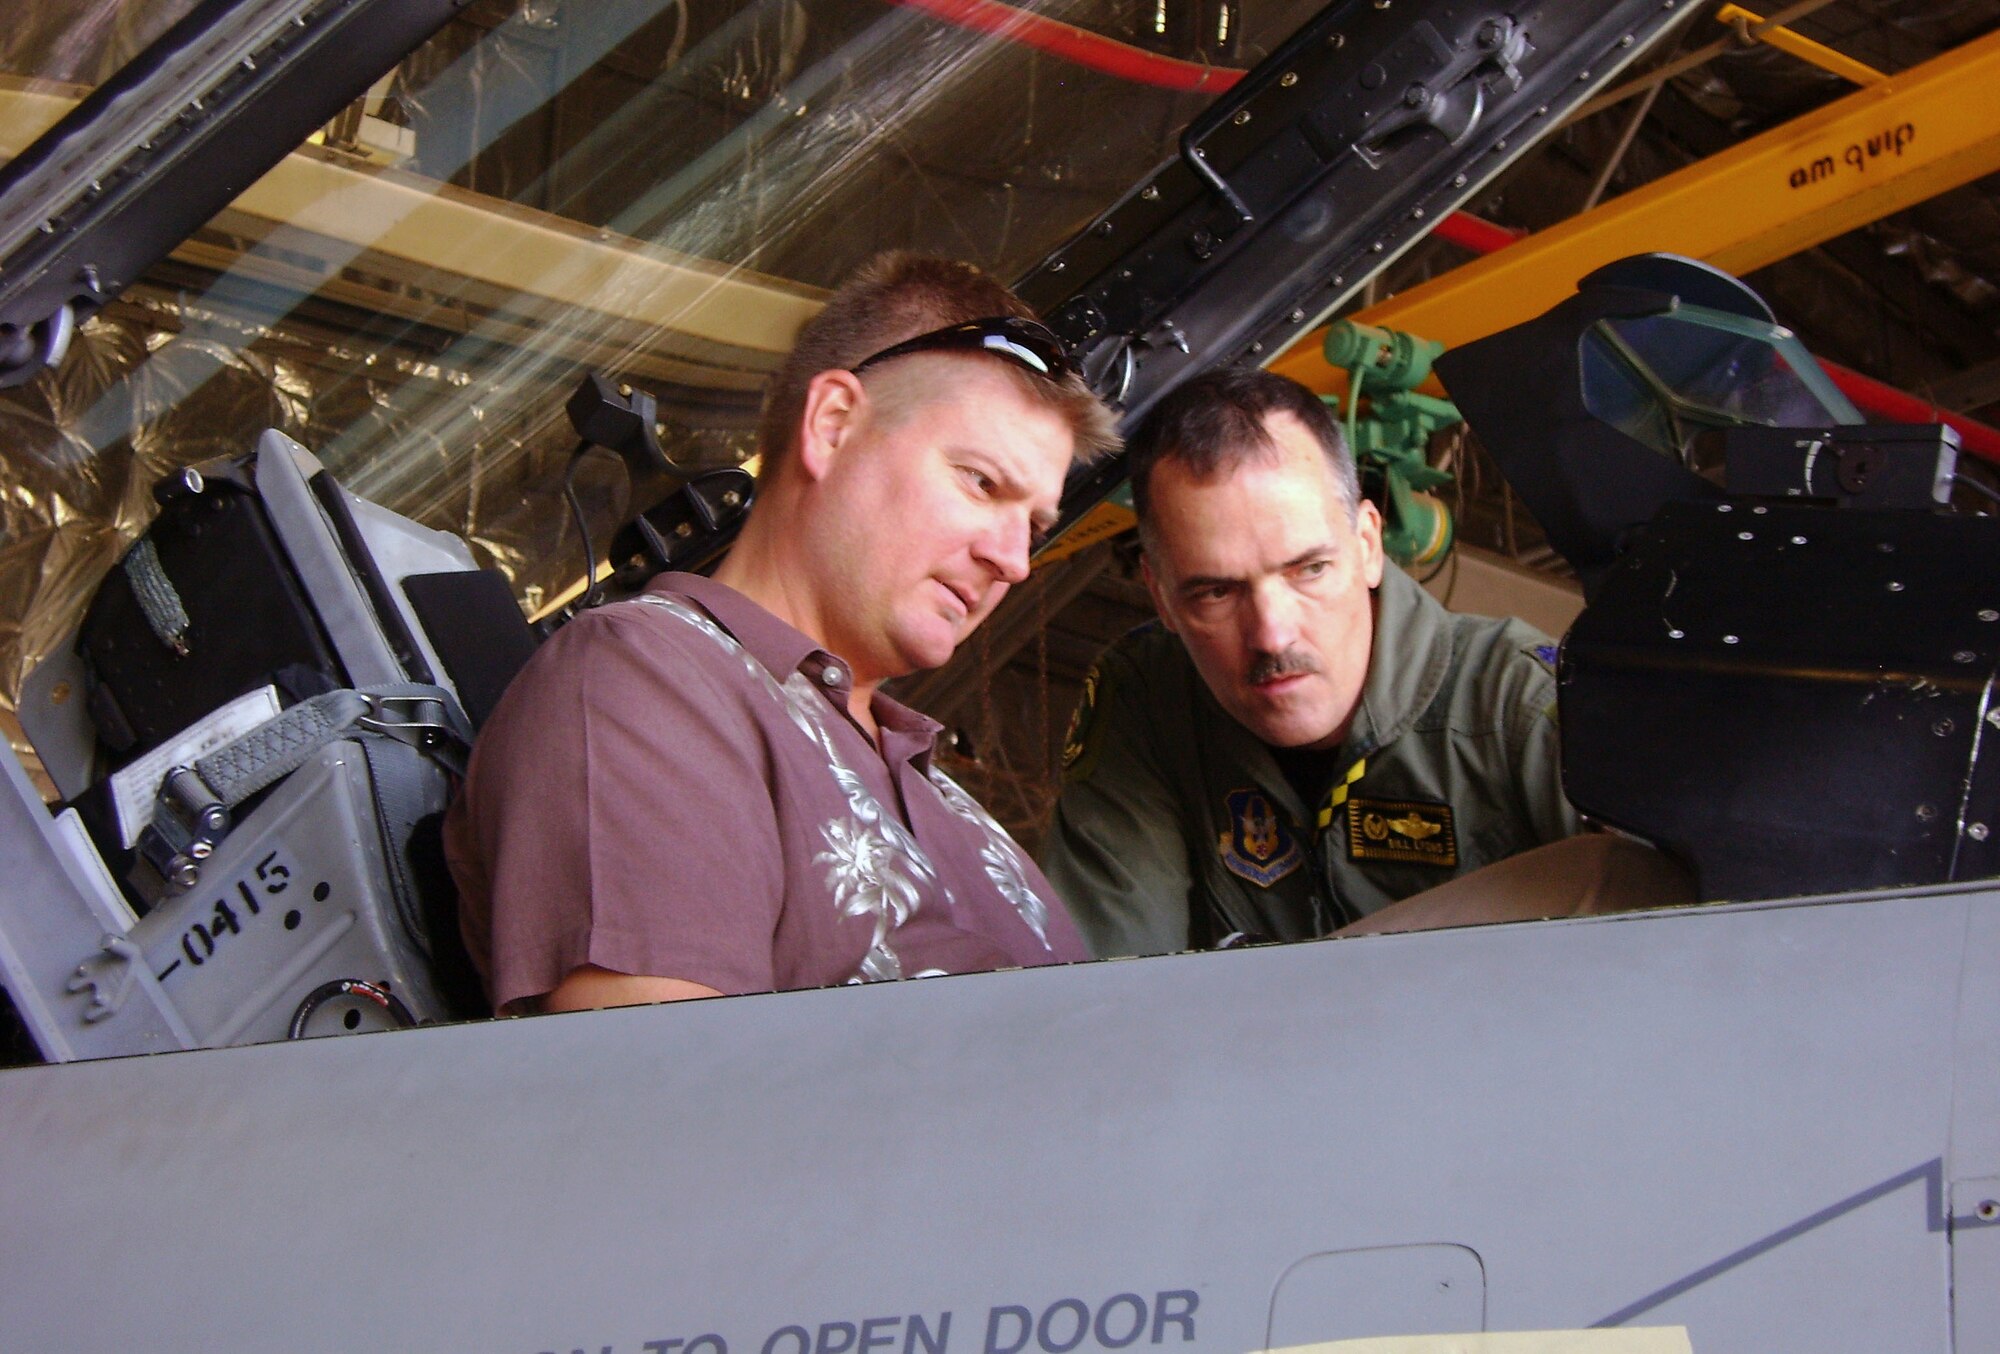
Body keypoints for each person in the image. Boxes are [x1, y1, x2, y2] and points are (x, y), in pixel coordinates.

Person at [446, 252, 1119, 1014]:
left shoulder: (957, 807)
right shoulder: (648, 680)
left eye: (1033, 524)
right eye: (981, 481)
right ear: (832, 425)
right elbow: (649, 1107)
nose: (1016, 561)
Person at [1041, 366, 1686, 959]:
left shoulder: (1522, 707)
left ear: (1369, 544)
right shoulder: (1147, 702)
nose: (1272, 633)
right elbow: (1100, 991)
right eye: (1216, 591)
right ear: (1159, 595)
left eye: (1309, 569)